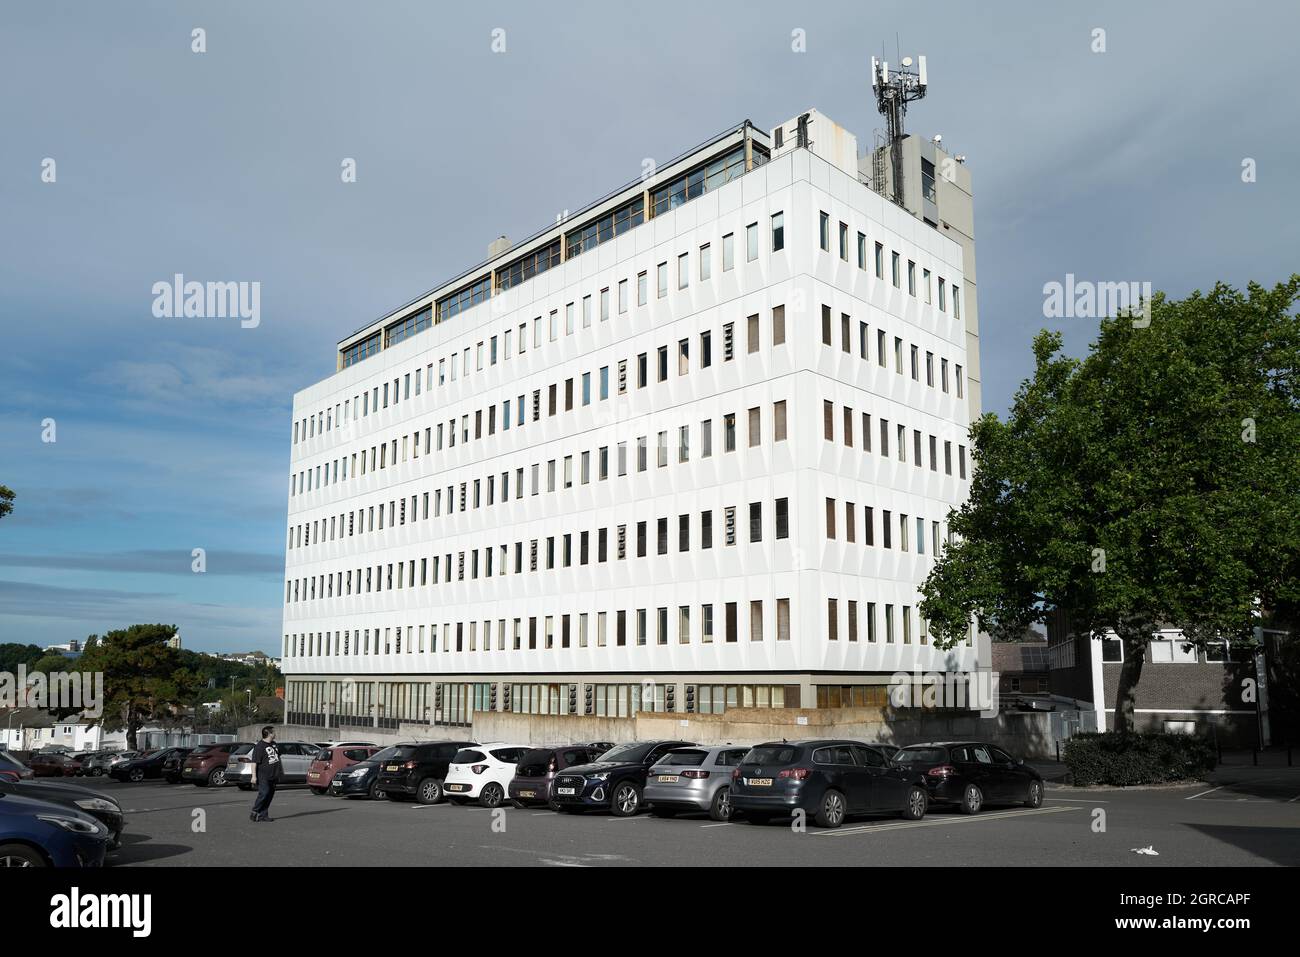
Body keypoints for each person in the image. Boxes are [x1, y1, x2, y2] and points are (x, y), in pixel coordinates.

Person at [249, 726, 282, 822]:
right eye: (274, 732)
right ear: (269, 734)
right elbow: (254, 762)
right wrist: (253, 776)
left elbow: (277, 758)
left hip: (274, 775)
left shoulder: (274, 744)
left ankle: (263, 815)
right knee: (264, 793)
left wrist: (280, 772)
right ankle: (255, 811)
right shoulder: (260, 746)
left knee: (269, 795)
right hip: (263, 775)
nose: (275, 734)